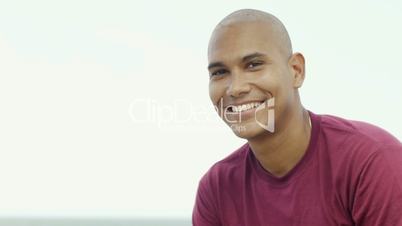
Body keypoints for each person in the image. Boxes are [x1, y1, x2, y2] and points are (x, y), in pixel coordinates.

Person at [192, 8, 402, 226]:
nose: (235, 88)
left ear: (296, 70)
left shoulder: (371, 161)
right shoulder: (217, 190)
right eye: (219, 72)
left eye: (253, 65)